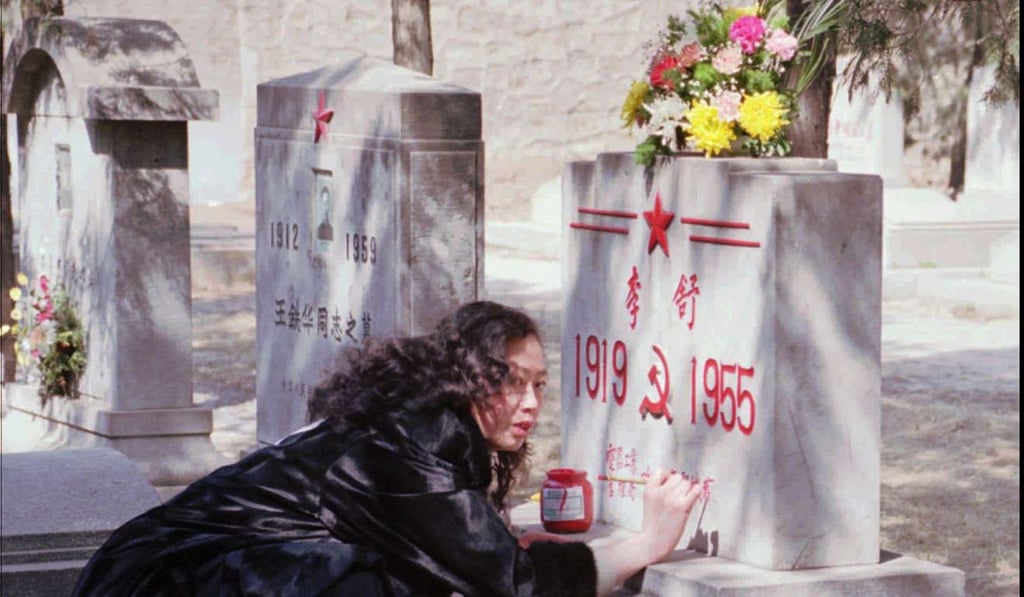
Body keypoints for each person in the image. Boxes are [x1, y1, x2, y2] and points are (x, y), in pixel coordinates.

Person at [72, 300, 704, 597]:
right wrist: (642, 544)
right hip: (165, 581)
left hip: (182, 571)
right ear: (466, 379)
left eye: (538, 384)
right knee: (364, 584)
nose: (532, 402)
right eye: (509, 382)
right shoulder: (412, 440)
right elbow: (516, 585)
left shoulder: (424, 428)